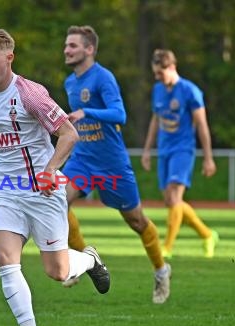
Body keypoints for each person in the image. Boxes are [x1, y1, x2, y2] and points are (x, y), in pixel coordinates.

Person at [0, 28, 110, 326]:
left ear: (9, 58)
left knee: (58, 271)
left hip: (43, 192)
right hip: (7, 193)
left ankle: (89, 259)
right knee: (5, 257)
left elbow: (69, 134)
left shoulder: (30, 94)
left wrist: (50, 170)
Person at [61, 25, 172, 304]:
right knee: (56, 202)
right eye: (66, 45)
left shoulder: (103, 78)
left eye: (73, 45)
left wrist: (87, 111)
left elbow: (119, 114)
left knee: (137, 221)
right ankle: (82, 261)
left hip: (112, 165)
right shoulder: (69, 82)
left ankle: (161, 270)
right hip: (83, 161)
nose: (66, 50)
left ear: (89, 49)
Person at [141, 49, 218, 258]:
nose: (157, 77)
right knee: (170, 200)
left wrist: (208, 157)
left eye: (160, 73)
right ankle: (207, 234)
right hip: (164, 150)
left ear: (172, 67)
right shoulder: (158, 90)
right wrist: (147, 150)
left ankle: (167, 247)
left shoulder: (190, 91)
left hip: (183, 149)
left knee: (175, 197)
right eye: (155, 73)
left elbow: (202, 124)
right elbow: (155, 121)